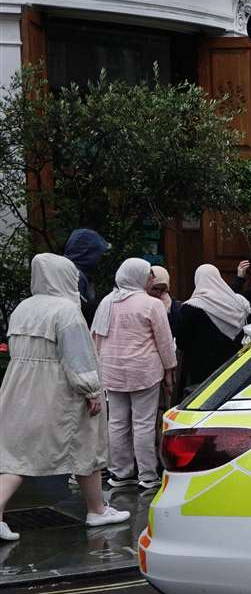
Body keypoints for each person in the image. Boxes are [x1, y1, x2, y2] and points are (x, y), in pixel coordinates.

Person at [0, 254, 131, 541]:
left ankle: (97, 508)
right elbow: (78, 357)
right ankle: (96, 510)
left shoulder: (23, 308)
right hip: (60, 391)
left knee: (16, 452)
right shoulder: (66, 311)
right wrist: (92, 391)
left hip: (18, 388)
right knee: (86, 446)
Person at [91, 258, 178, 490]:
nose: (151, 277)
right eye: (148, 273)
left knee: (117, 422)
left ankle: (120, 473)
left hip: (111, 371)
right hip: (144, 370)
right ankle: (147, 475)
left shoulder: (106, 302)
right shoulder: (152, 304)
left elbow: (96, 337)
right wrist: (170, 369)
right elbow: (165, 342)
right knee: (144, 423)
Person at [174, 263, 251, 391]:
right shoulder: (239, 303)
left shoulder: (190, 307)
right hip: (232, 364)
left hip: (200, 368)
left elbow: (182, 341)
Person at [63, 227, 110, 323]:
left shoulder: (68, 270)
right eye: (99, 253)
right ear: (88, 253)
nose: (100, 258)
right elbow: (79, 313)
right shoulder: (74, 276)